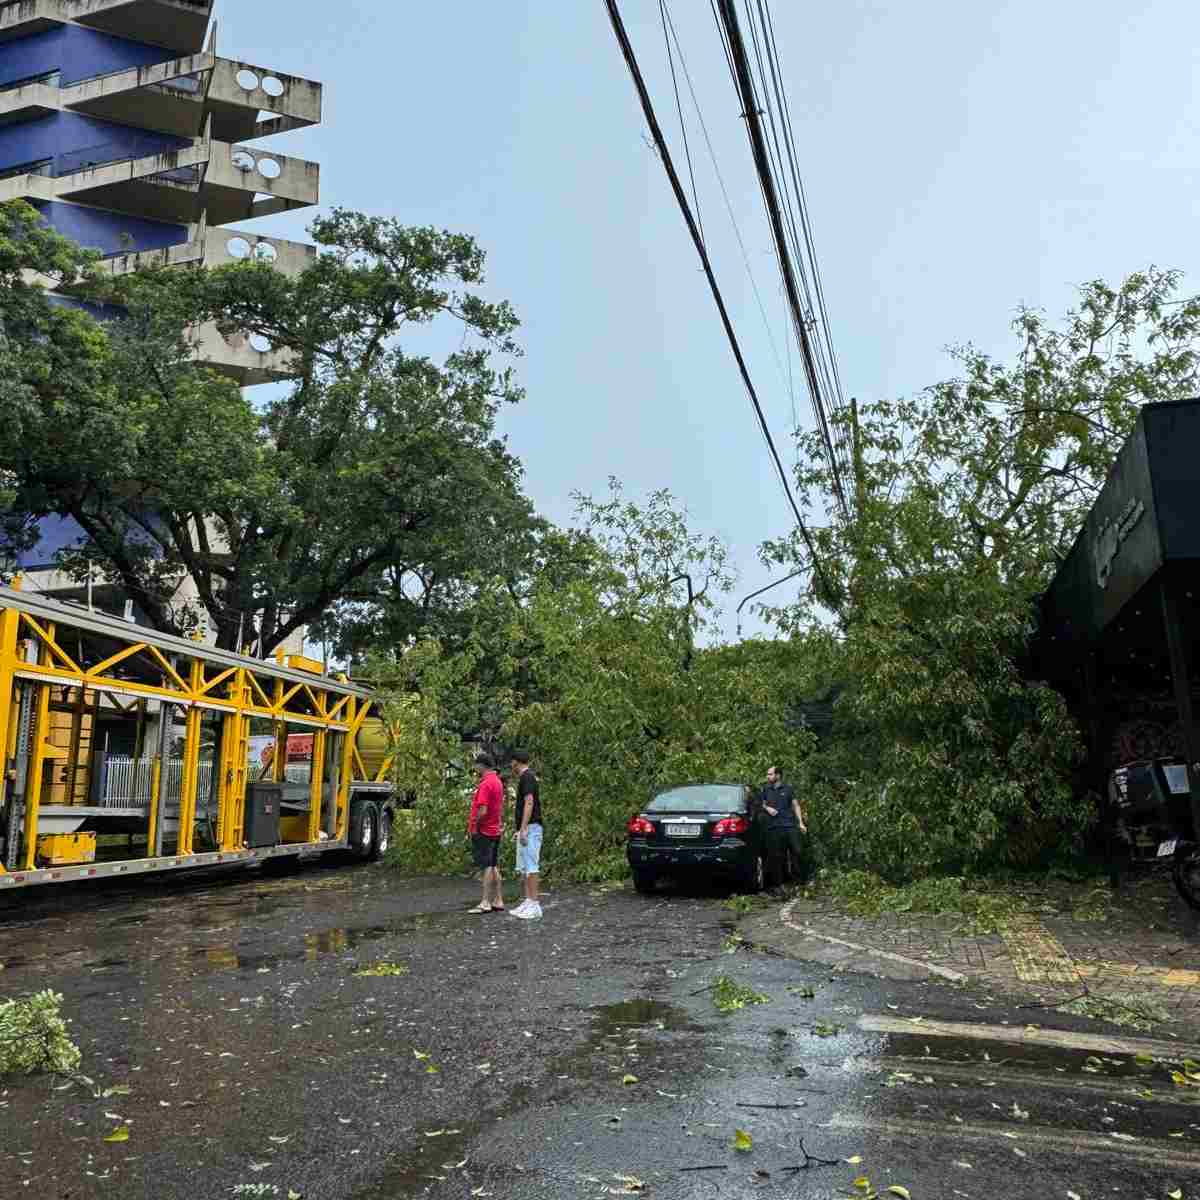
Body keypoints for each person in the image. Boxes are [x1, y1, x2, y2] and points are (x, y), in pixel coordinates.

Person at [467, 752, 504, 914]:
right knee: (494, 865)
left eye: (476, 765)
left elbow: (482, 809)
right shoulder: (497, 781)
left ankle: (485, 901)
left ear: (481, 765)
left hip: (485, 830)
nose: (475, 768)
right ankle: (498, 899)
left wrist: (475, 825)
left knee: (487, 866)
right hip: (495, 829)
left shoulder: (485, 784)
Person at [508, 749, 543, 920]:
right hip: (526, 828)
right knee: (524, 867)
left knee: (531, 867)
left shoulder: (528, 777)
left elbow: (529, 802)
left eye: (511, 761)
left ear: (516, 761)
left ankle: (535, 905)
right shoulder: (525, 778)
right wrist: (519, 830)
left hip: (531, 828)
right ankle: (528, 901)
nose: (510, 765)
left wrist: (523, 828)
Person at [759, 765, 807, 890]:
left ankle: (799, 882)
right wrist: (768, 808)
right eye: (768, 774)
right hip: (774, 827)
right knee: (777, 856)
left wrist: (801, 822)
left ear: (778, 775)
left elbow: (796, 805)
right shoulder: (765, 789)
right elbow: (761, 804)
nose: (767, 776)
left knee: (797, 851)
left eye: (770, 774)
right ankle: (780, 884)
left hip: (790, 825)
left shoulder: (788, 788)